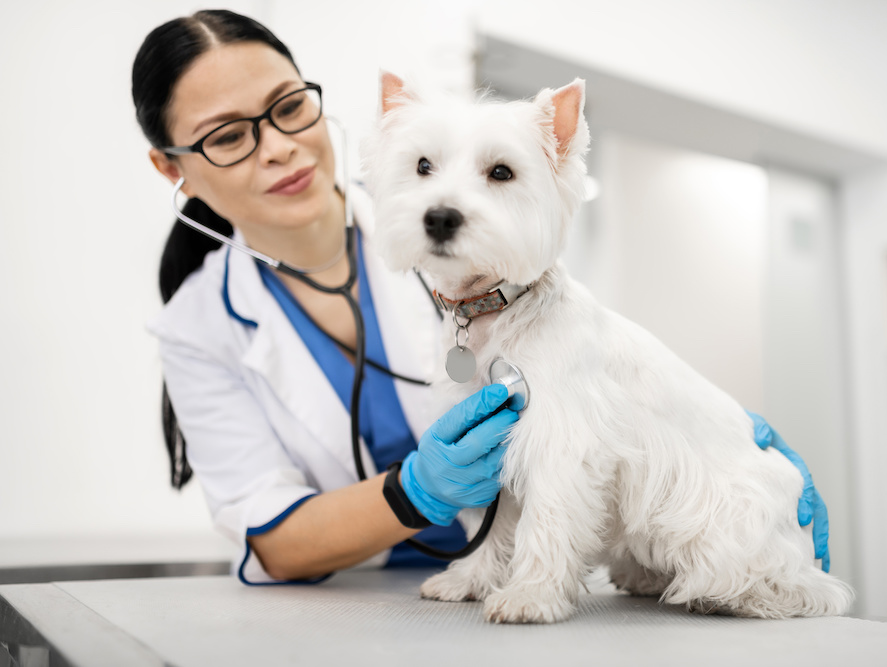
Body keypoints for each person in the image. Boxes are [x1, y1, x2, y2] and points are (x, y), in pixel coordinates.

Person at [134, 9, 830, 585]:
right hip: (356, 601)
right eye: (227, 136)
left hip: (524, 595)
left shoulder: (484, 256)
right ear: (173, 168)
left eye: (289, 107)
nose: (280, 146)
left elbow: (609, 378)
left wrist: (720, 439)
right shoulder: (195, 326)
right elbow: (270, 535)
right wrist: (416, 490)